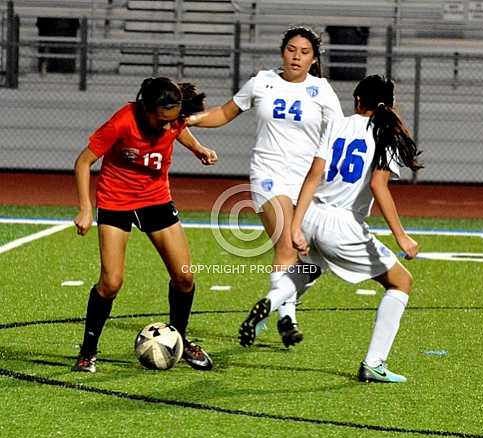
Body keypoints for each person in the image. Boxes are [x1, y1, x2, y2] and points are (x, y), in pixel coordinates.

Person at [244, 74, 423, 382]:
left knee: (308, 270)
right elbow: (380, 188)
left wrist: (297, 226)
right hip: (342, 225)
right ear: (389, 106)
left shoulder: (337, 125)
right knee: (401, 283)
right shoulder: (385, 134)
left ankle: (271, 302)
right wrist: (401, 236)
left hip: (312, 214)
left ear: (356, 101)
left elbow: (313, 176)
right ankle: (374, 363)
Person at [188, 26, 343, 347]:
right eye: (291, 49)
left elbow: (339, 135)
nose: (296, 56)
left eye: (304, 52)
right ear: (282, 51)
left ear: (314, 60)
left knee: (314, 260)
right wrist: (189, 120)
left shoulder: (322, 91)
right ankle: (287, 318)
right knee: (286, 245)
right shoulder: (262, 82)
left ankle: (280, 307)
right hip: (268, 174)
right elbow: (223, 112)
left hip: (308, 182)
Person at [72, 77, 218, 373]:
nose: (169, 127)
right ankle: (88, 351)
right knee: (111, 282)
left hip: (156, 200)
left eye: (172, 121)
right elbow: (83, 162)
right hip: (116, 201)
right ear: (147, 109)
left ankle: (179, 339)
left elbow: (180, 130)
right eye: (163, 121)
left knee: (184, 278)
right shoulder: (123, 121)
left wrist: (198, 148)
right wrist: (86, 209)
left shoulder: (173, 118)